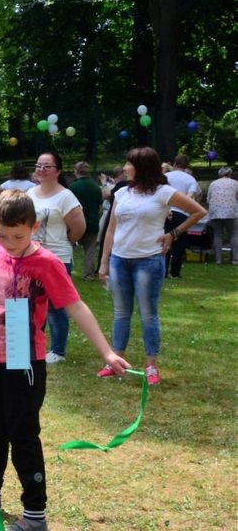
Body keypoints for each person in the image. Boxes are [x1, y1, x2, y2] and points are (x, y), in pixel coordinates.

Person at [0, 190, 129, 531]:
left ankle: (35, 515)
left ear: (34, 227)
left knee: (22, 435)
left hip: (23, 358)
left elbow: (75, 306)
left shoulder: (46, 263)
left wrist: (107, 353)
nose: (9, 243)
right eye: (3, 235)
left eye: (18, 236)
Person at [98, 147, 206, 385]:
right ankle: (116, 362)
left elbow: (199, 211)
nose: (125, 168)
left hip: (148, 260)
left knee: (148, 315)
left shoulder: (164, 192)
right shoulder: (122, 193)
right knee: (121, 313)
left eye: (129, 163)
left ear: (142, 167)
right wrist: (104, 263)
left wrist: (173, 234)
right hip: (119, 259)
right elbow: (111, 230)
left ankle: (151, 366)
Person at [28, 151, 84, 364]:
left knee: (56, 306)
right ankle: (34, 344)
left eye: (47, 166)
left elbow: (79, 227)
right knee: (32, 303)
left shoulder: (65, 196)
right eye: (38, 165)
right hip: (32, 256)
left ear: (58, 171)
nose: (41, 170)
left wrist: (66, 242)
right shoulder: (31, 193)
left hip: (57, 258)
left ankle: (58, 350)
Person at [163, 154, 200, 278]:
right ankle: (175, 272)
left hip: (167, 212)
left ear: (174, 164)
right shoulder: (191, 180)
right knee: (179, 243)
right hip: (182, 213)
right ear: (186, 166)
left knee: (164, 241)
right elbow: (189, 198)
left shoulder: (166, 176)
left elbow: (162, 194)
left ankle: (163, 271)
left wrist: (167, 208)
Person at [69, 162, 105, 280]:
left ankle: (65, 271)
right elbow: (100, 205)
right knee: (90, 251)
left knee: (69, 249)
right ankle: (89, 274)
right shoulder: (95, 186)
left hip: (76, 223)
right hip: (92, 222)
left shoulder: (73, 187)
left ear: (76, 171)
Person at [206, 166, 238, 265]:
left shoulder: (213, 183)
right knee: (234, 234)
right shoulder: (235, 183)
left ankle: (218, 259)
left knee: (217, 234)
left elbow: (208, 198)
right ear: (230, 174)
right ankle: (235, 259)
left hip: (215, 211)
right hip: (231, 211)